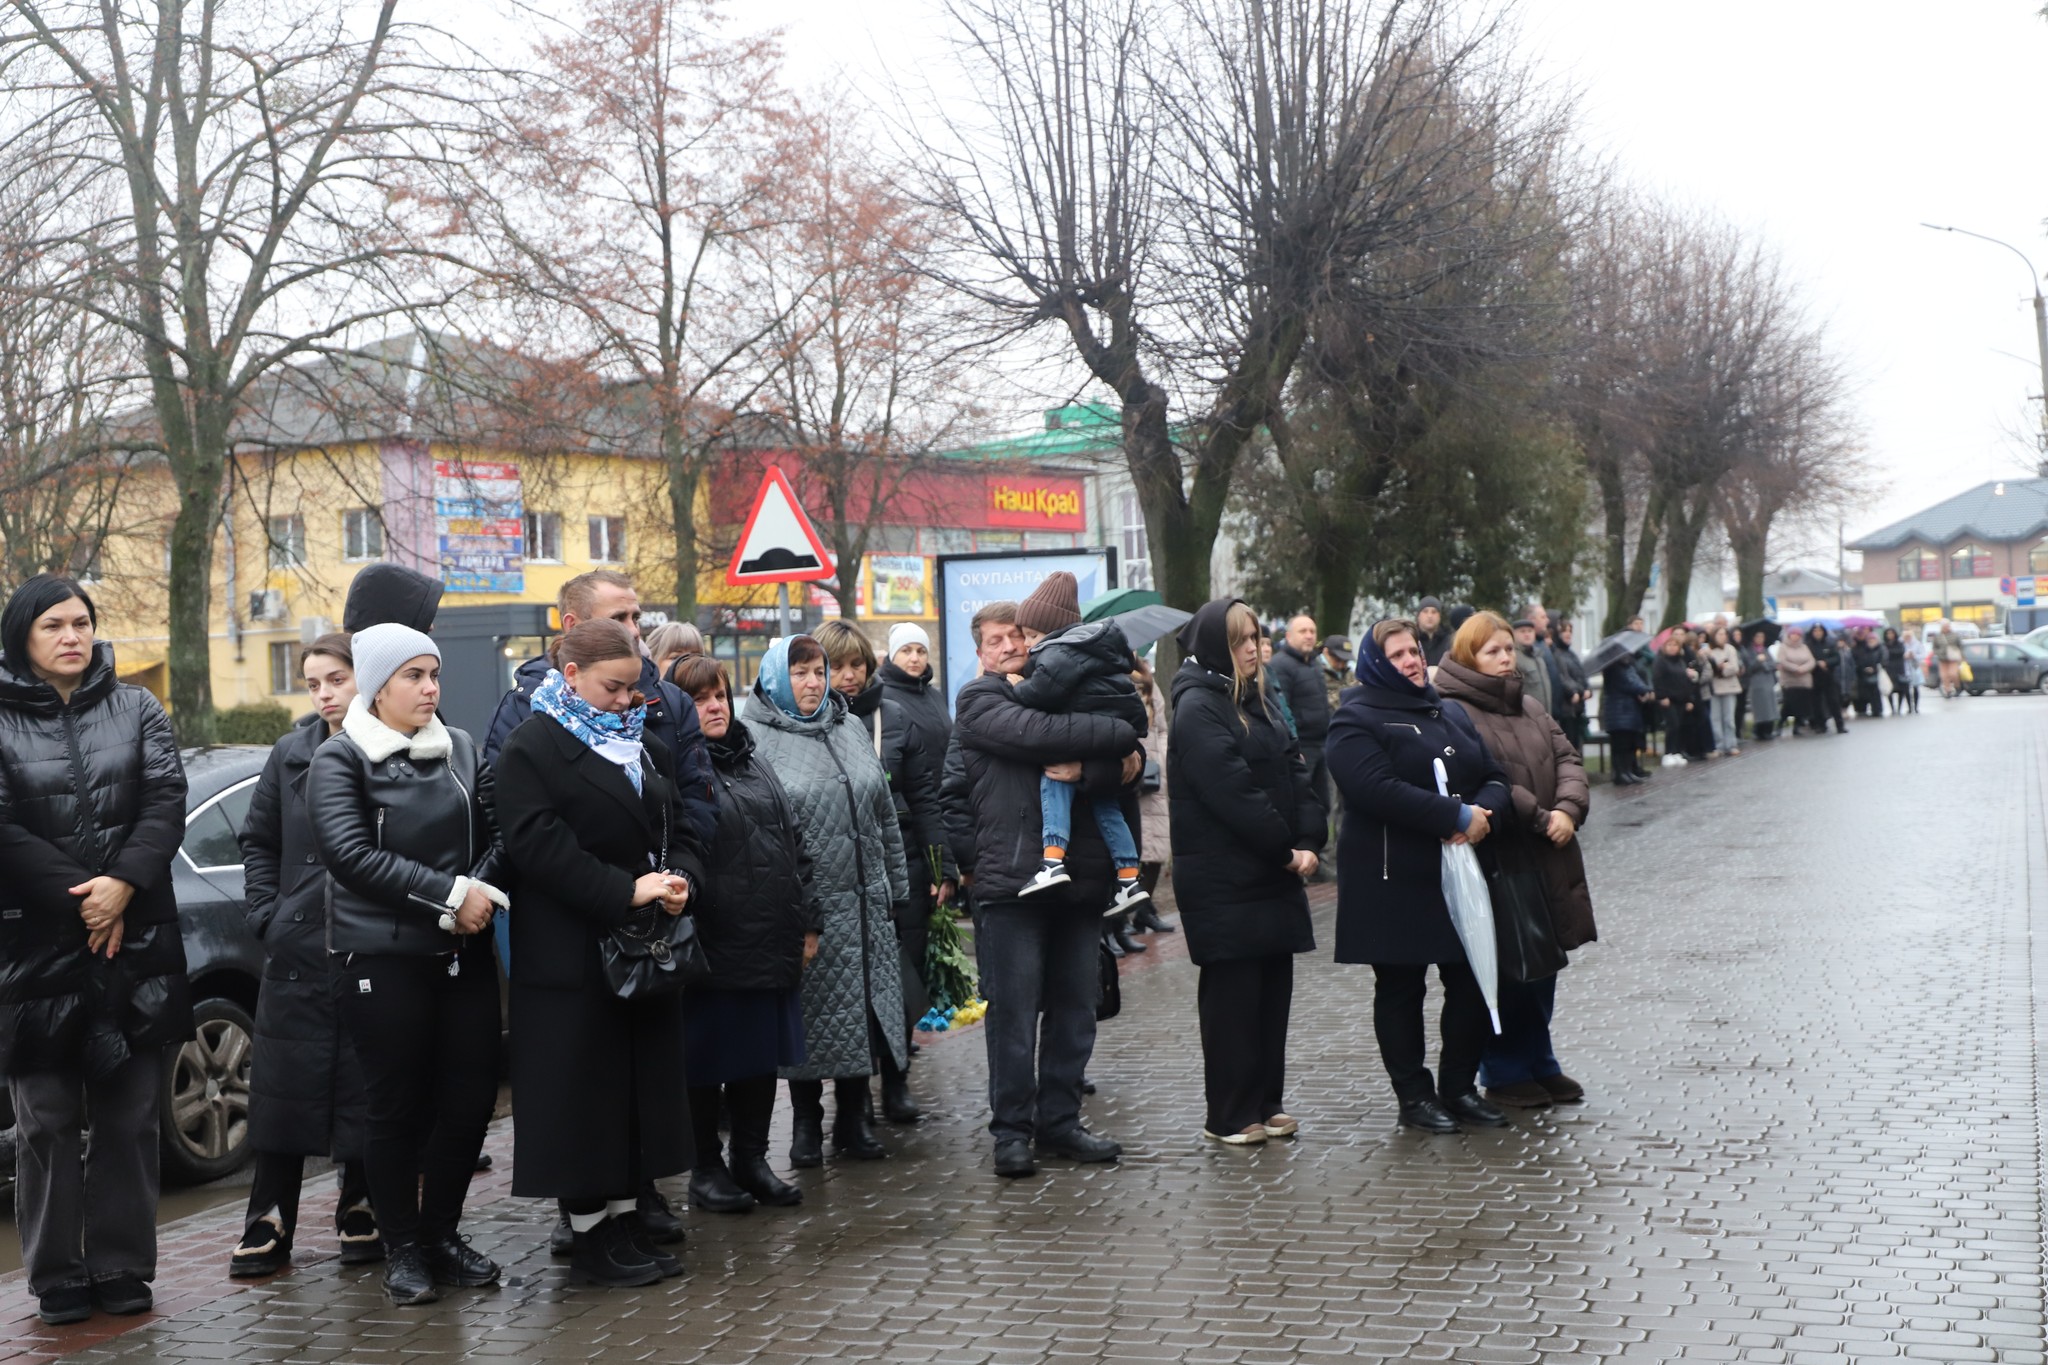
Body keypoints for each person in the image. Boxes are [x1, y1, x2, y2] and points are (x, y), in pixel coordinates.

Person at [0, 575, 191, 1325]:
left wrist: (123, 885)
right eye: (54, 624)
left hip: (134, 938)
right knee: (45, 1118)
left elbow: (166, 798)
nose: (72, 636)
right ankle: (55, 1273)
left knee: (131, 1111)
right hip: (34, 947)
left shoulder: (137, 704)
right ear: (23, 636)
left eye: (81, 622)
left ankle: (120, 1264)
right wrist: (90, 897)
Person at [491, 620, 700, 1287]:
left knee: (631, 1094)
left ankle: (625, 1217)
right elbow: (537, 845)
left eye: (634, 688)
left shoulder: (637, 743)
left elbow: (678, 821)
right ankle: (590, 1235)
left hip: (636, 950)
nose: (625, 701)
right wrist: (624, 889)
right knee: (580, 1098)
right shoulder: (532, 745)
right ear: (571, 673)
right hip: (569, 955)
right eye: (614, 687)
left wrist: (679, 879)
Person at [308, 623, 509, 1307]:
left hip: (462, 952)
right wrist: (451, 896)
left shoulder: (460, 747)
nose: (431, 688)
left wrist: (477, 890)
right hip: (381, 956)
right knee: (395, 1106)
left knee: (469, 1098)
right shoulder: (342, 759)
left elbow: (497, 831)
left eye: (435, 674)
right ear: (378, 684)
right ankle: (403, 1248)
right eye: (414, 676)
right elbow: (350, 856)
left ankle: (441, 1233)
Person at [947, 598, 1141, 1177]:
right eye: (995, 640)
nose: (1009, 647)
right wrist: (1119, 734)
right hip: (1010, 886)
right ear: (979, 652)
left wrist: (1100, 764)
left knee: (1075, 1011)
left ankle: (1060, 1122)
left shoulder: (1061, 689)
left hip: (1078, 878)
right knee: (1012, 1016)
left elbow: (1120, 768)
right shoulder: (978, 699)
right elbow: (1035, 736)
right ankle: (1011, 1132)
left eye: (1016, 636)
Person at [1327, 618, 1510, 1134]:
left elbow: (1493, 773)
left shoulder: (1447, 710)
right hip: (1394, 877)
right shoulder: (1356, 718)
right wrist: (1452, 817)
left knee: (1471, 980)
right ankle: (1414, 1096)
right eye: (1398, 655)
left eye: (1414, 651)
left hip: (1460, 873)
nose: (1411, 661)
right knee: (1402, 988)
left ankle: (1458, 1087)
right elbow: (1374, 788)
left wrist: (1483, 815)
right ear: (1375, 663)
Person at [231, 634, 377, 1280]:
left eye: (336, 679)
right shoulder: (290, 752)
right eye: (313, 682)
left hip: (367, 943)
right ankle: (268, 1215)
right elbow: (258, 838)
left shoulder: (385, 748)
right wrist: (269, 911)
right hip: (296, 949)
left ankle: (361, 1203)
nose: (323, 694)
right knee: (281, 1087)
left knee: (362, 1079)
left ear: (363, 679)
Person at [744, 635, 910, 1167]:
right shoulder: (755, 738)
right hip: (807, 909)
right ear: (775, 678)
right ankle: (807, 1125)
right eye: (800, 673)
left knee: (863, 1011)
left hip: (866, 905)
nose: (814, 682)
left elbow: (884, 813)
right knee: (812, 1018)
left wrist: (898, 891)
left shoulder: (850, 725)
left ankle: (855, 1120)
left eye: (818, 671)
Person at [1168, 600, 1324, 1145]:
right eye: (1241, 641)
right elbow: (1230, 791)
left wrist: (1309, 839)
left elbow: (1296, 770)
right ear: (1216, 647)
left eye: (1257, 637)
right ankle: (1230, 1113)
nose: (1254, 649)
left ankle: (1266, 1100)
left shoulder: (1257, 698)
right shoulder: (1198, 707)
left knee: (1270, 995)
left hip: (1271, 873)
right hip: (1225, 878)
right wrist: (1285, 850)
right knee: (1233, 999)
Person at [670, 657, 817, 1213]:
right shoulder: (678, 766)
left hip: (769, 938)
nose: (715, 707)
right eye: (701, 698)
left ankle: (751, 1161)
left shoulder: (753, 760)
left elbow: (795, 845)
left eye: (720, 695)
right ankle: (706, 1170)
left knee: (759, 1059)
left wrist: (809, 921)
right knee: (706, 1063)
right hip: (714, 944)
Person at [1433, 613, 1596, 1110]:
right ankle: (1503, 1068)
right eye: (1493, 652)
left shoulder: (1527, 704)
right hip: (1502, 852)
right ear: (1468, 658)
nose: (1506, 658)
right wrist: (1542, 817)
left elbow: (1566, 757)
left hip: (1548, 852)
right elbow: (1490, 775)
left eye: (1508, 649)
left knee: (1545, 959)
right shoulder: (1454, 709)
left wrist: (1568, 810)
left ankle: (1539, 1060)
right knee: (1508, 964)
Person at [813, 618, 944, 1124]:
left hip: (900, 861)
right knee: (844, 986)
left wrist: (940, 866)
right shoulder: (809, 724)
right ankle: (851, 1096)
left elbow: (925, 797)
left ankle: (896, 1081)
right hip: (838, 871)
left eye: (856, 666)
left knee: (899, 974)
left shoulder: (892, 716)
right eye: (837, 666)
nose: (848, 676)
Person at [484, 569, 714, 850]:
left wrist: (681, 873)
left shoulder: (672, 702)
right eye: (618, 618)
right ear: (572, 624)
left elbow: (695, 799)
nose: (633, 630)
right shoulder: (523, 709)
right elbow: (516, 822)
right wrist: (617, 887)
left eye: (635, 617)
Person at [1006, 574, 1151, 916]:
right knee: (1106, 804)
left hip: (1085, 736)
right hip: (1110, 734)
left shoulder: (1059, 650)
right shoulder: (1090, 647)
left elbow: (1043, 692)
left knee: (1054, 776)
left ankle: (1053, 859)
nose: (1027, 645)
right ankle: (1129, 877)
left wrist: (1017, 686)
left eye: (1031, 635)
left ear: (1051, 630)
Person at [1268, 613, 1333, 824]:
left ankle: (1321, 852)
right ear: (1288, 636)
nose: (1309, 636)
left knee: (1322, 804)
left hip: (1321, 744)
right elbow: (1280, 709)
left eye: (1312, 631)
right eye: (1303, 631)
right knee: (1301, 805)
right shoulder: (1281, 665)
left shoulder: (1314, 663)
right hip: (1301, 747)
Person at [1128, 657, 1176, 935]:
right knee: (1132, 850)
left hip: (1155, 774)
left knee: (1156, 849)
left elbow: (1161, 727)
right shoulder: (1110, 677)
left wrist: (1163, 760)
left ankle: (1144, 910)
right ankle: (1121, 916)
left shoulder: (1147, 676)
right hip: (1129, 771)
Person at [1599, 650, 1655, 786]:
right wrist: (1646, 690)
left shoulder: (1629, 666)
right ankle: (1620, 773)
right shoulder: (1613, 668)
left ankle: (1628, 770)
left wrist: (1644, 690)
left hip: (1630, 711)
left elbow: (1636, 680)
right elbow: (1630, 683)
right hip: (1618, 712)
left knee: (1629, 744)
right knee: (1620, 745)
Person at [1651, 634, 1697, 767]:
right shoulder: (1660, 661)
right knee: (1672, 725)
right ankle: (1668, 753)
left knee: (1680, 726)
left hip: (1681, 698)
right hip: (1668, 698)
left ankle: (1676, 751)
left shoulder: (1680, 661)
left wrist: (1689, 699)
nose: (1672, 648)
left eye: (1675, 645)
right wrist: (1661, 696)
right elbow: (1657, 679)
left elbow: (1685, 681)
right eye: (1669, 645)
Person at [1549, 620, 1590, 753]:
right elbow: (1562, 677)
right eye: (1564, 631)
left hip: (1577, 707)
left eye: (1570, 631)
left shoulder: (1572, 654)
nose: (1568, 634)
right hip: (1566, 707)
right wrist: (1574, 691)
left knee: (1578, 744)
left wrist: (1587, 689)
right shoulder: (1556, 654)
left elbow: (1581, 675)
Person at [1704, 625, 1743, 756]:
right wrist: (1719, 667)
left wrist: (1721, 670)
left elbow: (1734, 668)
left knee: (1729, 718)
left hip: (1729, 687)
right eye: (1719, 634)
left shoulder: (1730, 649)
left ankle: (1731, 744)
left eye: (1724, 634)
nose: (1722, 637)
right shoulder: (1708, 650)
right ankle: (1719, 745)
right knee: (1715, 718)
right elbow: (1708, 669)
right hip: (1714, 688)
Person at [1510, 617, 1554, 721]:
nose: (1527, 634)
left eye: (1530, 631)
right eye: (1522, 631)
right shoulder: (1514, 658)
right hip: (1527, 718)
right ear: (1514, 634)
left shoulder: (1539, 656)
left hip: (1546, 716)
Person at [1807, 625, 1848, 733]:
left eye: (1820, 631)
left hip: (1829, 676)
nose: (1817, 633)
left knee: (1833, 701)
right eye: (1815, 631)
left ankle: (1840, 725)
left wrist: (1826, 662)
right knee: (1816, 702)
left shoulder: (1830, 643)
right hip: (1814, 675)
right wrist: (1816, 663)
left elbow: (1837, 658)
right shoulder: (1808, 645)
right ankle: (1821, 725)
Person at [1777, 625, 1816, 734]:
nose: (1796, 637)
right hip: (1790, 681)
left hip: (1803, 680)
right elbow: (1782, 661)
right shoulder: (1783, 647)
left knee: (1801, 705)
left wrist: (1803, 668)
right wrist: (1795, 668)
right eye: (1793, 634)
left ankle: (1797, 726)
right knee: (1788, 704)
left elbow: (1811, 661)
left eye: (1798, 635)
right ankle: (1780, 724)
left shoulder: (1804, 647)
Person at [1743, 630, 1780, 741]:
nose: (1760, 639)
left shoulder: (1765, 650)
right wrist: (1758, 661)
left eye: (1762, 637)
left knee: (1770, 707)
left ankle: (1769, 729)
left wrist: (1765, 664)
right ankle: (1760, 731)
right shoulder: (1749, 651)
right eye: (1758, 636)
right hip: (1757, 684)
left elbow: (1772, 664)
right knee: (1760, 708)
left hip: (1768, 682)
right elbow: (1749, 668)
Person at [1851, 628, 1886, 719]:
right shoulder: (1855, 648)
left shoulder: (1875, 647)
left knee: (1874, 692)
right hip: (1860, 673)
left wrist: (1873, 668)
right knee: (1861, 692)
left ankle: (1877, 710)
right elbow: (1856, 661)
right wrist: (1863, 668)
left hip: (1873, 672)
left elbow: (1880, 659)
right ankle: (1861, 709)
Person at [1414, 598, 1451, 667]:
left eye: (1434, 612)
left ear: (1439, 616)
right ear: (1418, 616)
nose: (1430, 616)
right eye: (1425, 611)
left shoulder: (1450, 641)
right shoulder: (1412, 640)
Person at [1933, 620, 1964, 698]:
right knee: (1944, 676)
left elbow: (1960, 646)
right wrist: (1938, 653)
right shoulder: (1938, 636)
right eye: (1945, 626)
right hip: (1942, 659)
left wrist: (1961, 656)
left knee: (1953, 674)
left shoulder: (1955, 635)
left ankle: (1958, 687)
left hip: (1953, 658)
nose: (1946, 628)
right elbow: (1934, 647)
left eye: (1947, 626)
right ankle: (1948, 691)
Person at [1900, 628, 1927, 713]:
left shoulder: (1917, 644)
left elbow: (1923, 654)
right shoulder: (1901, 644)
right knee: (1906, 688)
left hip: (1915, 667)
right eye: (1906, 636)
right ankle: (1909, 707)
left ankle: (1916, 706)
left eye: (1909, 636)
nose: (1907, 638)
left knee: (1915, 687)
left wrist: (1914, 655)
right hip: (1904, 667)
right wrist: (1904, 656)